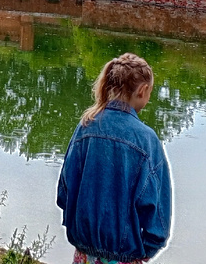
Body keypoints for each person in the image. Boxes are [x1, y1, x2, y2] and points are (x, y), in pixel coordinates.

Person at [57, 53, 172, 264]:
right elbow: (158, 216)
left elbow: (64, 192)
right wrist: (145, 250)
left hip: (84, 255)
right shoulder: (147, 140)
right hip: (125, 257)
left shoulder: (86, 126)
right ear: (143, 90)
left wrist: (83, 234)